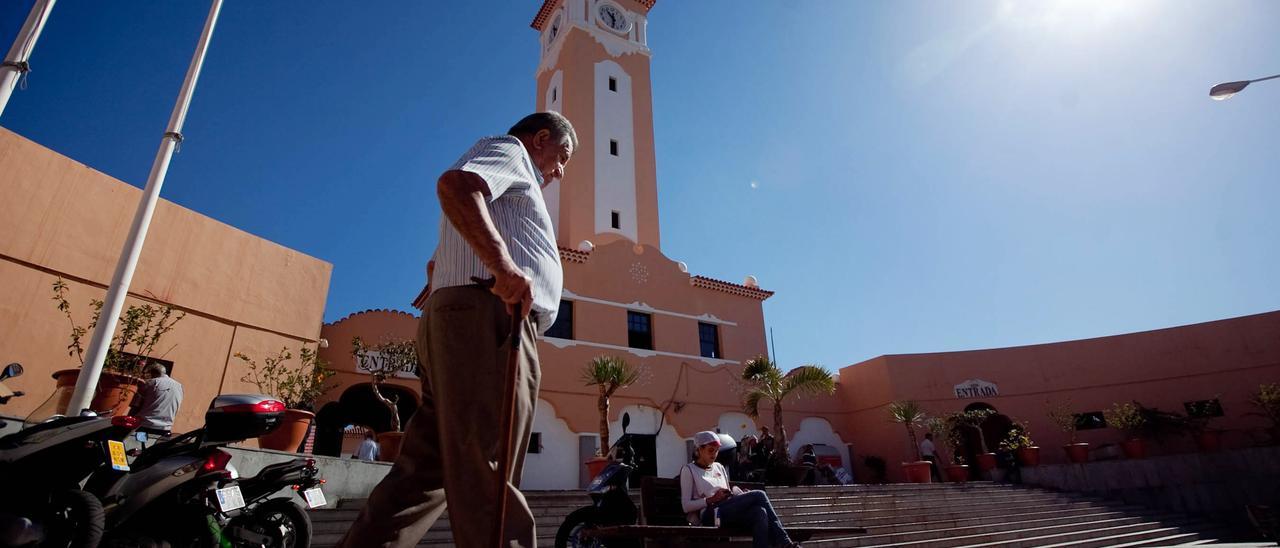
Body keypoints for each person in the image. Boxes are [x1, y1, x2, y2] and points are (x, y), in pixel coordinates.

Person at [338, 112, 576, 548]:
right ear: (541, 138)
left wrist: (443, 280)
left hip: (463, 315)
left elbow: (447, 241)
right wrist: (504, 267)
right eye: (562, 156)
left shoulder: (509, 181)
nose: (560, 171)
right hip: (491, 316)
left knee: (424, 471)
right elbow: (456, 186)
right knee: (490, 460)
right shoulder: (512, 152)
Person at [680, 431, 800, 548]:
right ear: (699, 450)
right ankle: (784, 542)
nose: (714, 455)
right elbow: (686, 506)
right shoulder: (689, 470)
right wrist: (711, 499)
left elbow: (727, 493)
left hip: (726, 510)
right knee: (759, 495)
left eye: (716, 451)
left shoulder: (719, 467)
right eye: (710, 450)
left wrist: (740, 495)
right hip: (709, 514)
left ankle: (780, 543)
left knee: (760, 512)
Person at [128, 362, 183, 437]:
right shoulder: (179, 386)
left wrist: (129, 421)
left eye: (145, 373)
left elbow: (136, 406)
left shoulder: (151, 383)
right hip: (165, 429)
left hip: (144, 426)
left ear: (152, 373)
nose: (144, 376)